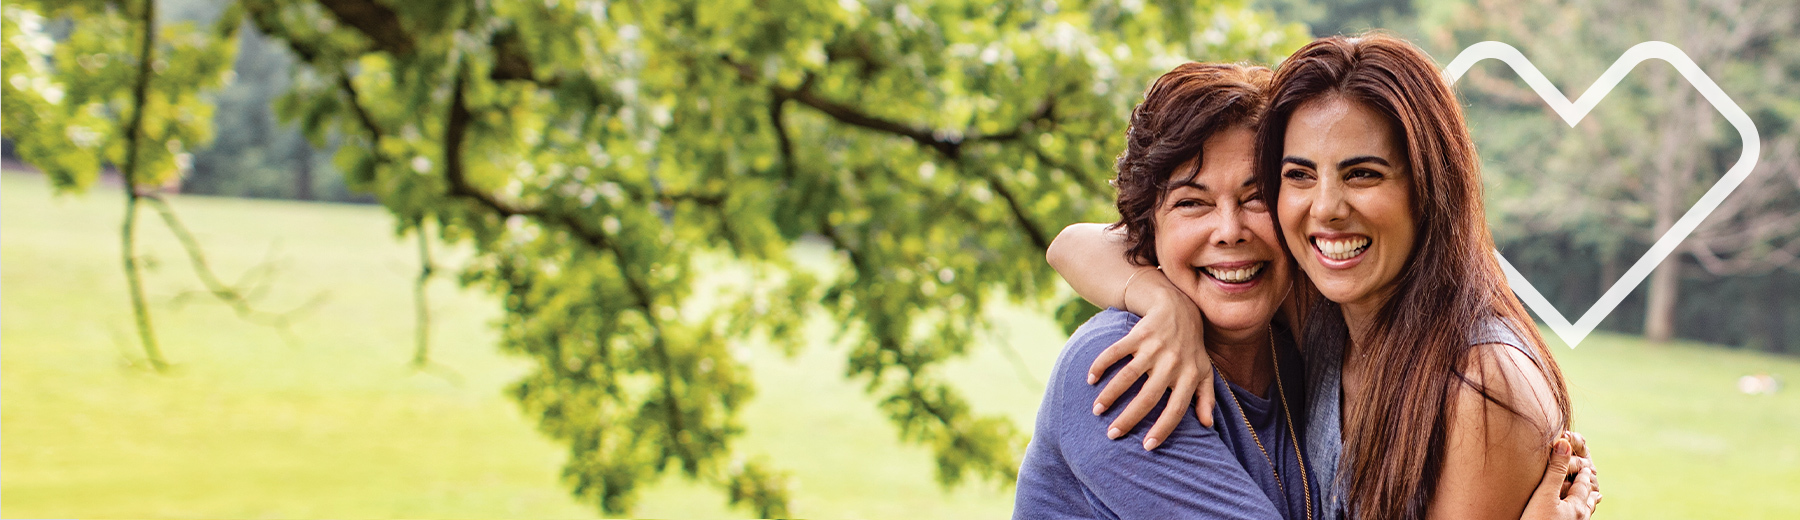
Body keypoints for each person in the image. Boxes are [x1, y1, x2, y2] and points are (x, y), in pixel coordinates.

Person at [1017, 56, 1599, 520]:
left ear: (1429, 186)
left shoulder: (1335, 330)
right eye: (1193, 202)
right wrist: (1158, 299)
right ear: (1150, 228)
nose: (1229, 231)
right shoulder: (1128, 366)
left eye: (1255, 196)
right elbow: (1074, 241)